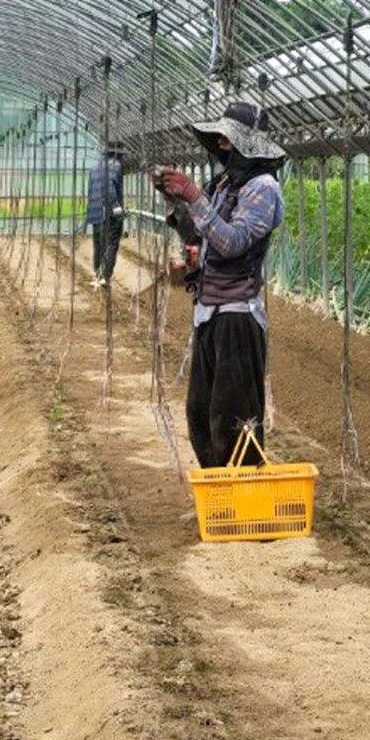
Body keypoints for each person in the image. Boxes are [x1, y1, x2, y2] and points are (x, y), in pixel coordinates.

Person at [154, 100, 285, 469]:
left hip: (237, 317)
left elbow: (231, 242)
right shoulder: (226, 184)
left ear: (247, 144)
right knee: (201, 413)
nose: (221, 146)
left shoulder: (263, 188)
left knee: (234, 419)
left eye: (228, 140)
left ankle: (243, 499)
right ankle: (219, 497)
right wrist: (176, 202)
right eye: (220, 140)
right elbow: (199, 235)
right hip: (209, 312)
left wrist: (195, 195)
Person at [85, 142, 125, 287]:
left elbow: (90, 192)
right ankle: (105, 277)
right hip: (109, 213)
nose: (122, 158)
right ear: (116, 154)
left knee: (98, 245)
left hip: (95, 213)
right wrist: (116, 208)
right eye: (121, 155)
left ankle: (97, 274)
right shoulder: (116, 166)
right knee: (112, 243)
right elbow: (109, 189)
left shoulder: (94, 168)